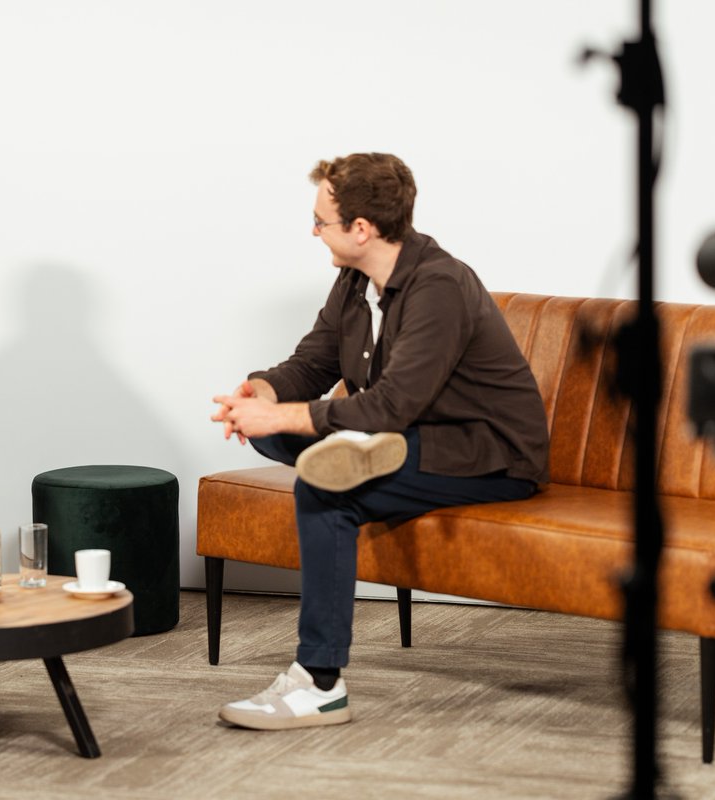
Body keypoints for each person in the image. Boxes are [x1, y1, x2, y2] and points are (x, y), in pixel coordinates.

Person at [211, 153, 549, 730]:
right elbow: (313, 362)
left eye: (320, 221)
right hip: (406, 437)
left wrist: (284, 417)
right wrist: (260, 396)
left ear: (361, 229)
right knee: (284, 439)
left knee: (324, 487)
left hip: (484, 454)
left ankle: (320, 685)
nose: (313, 231)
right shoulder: (355, 280)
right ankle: (361, 451)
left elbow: (394, 404)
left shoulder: (439, 286)